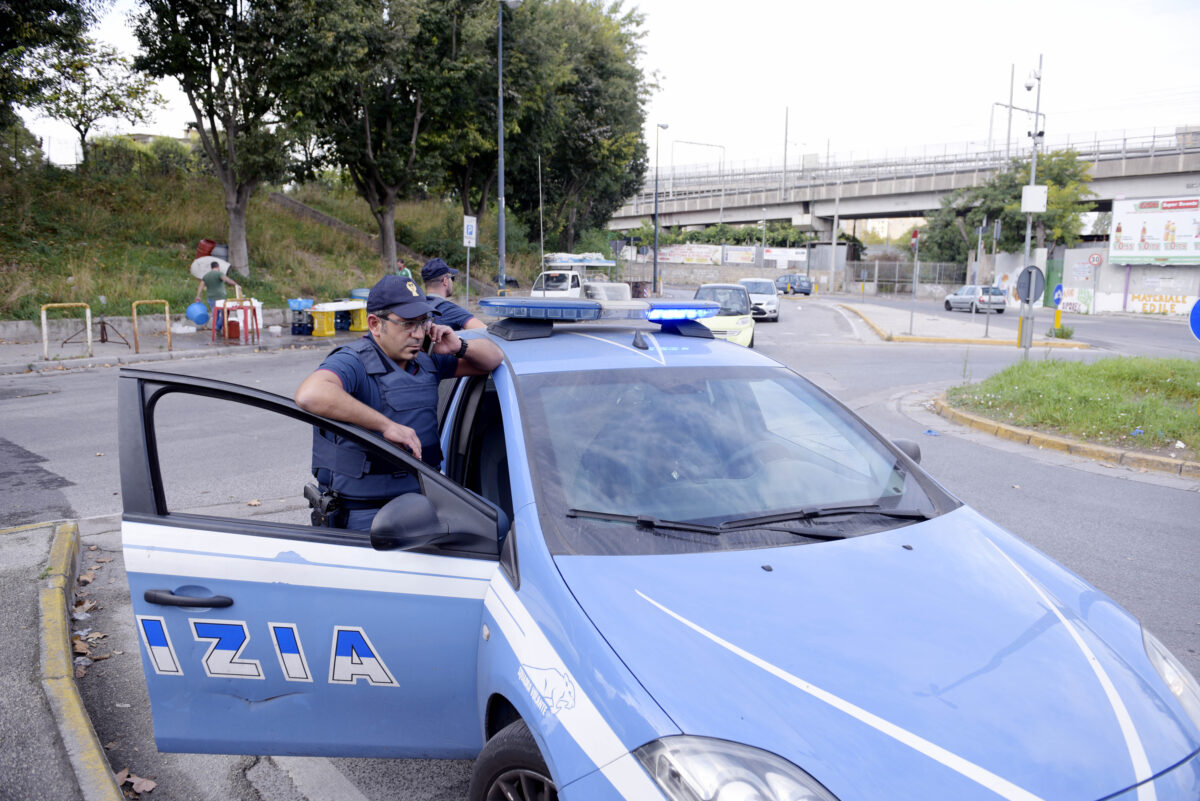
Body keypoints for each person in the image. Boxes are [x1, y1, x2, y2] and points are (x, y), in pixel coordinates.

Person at [294, 274, 504, 530]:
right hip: (365, 516)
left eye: (423, 323)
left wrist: (458, 345)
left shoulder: (428, 360)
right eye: (407, 324)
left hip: (424, 505)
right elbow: (310, 394)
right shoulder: (353, 361)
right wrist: (386, 426)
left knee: (497, 525)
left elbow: (493, 359)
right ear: (375, 324)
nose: (417, 334)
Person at [421, 257, 486, 330]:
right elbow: (485, 332)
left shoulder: (416, 307)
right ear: (445, 281)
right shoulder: (452, 311)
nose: (452, 282)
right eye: (452, 278)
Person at [194, 260, 240, 329]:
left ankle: (216, 328)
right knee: (225, 313)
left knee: (215, 314)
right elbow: (227, 279)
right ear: (218, 267)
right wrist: (236, 285)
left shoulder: (206, 276)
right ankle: (218, 327)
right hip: (220, 298)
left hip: (211, 299)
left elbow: (201, 286)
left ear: (211, 267)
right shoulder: (219, 274)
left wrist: (198, 296)